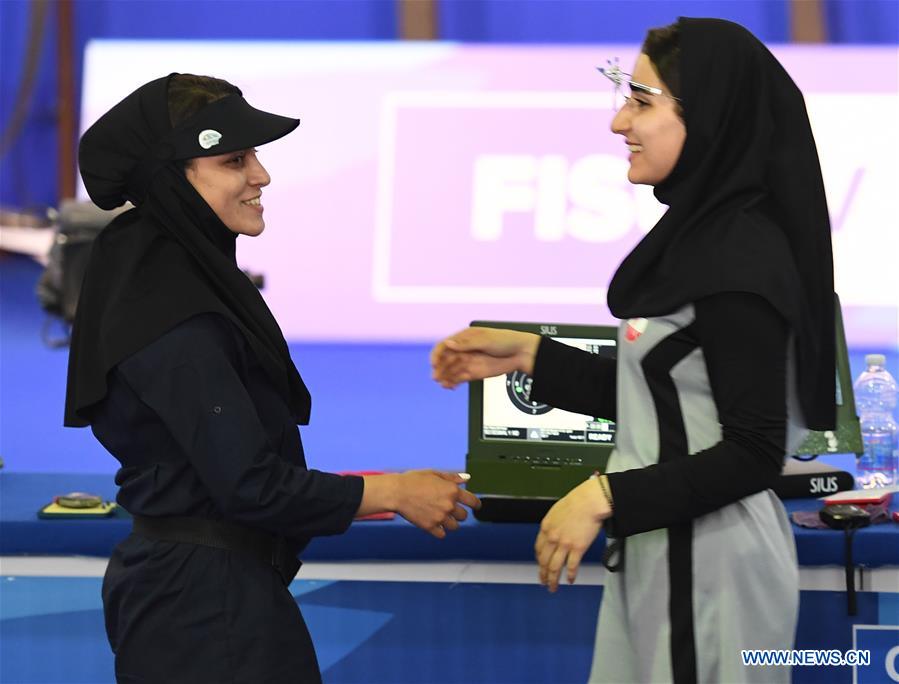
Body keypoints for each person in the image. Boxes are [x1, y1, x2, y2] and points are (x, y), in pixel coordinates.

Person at [431, 18, 834, 684]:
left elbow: (753, 451)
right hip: (669, 548)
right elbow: (676, 396)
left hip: (709, 567)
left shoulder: (740, 257)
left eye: (642, 101)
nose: (620, 122)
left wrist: (600, 496)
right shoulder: (706, 237)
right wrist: (532, 356)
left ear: (706, 117)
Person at [66, 73, 480, 684]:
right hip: (205, 609)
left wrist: (392, 486)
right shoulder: (174, 311)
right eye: (235, 159)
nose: (261, 176)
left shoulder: (164, 273)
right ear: (173, 178)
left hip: (205, 594)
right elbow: (249, 486)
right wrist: (393, 495)